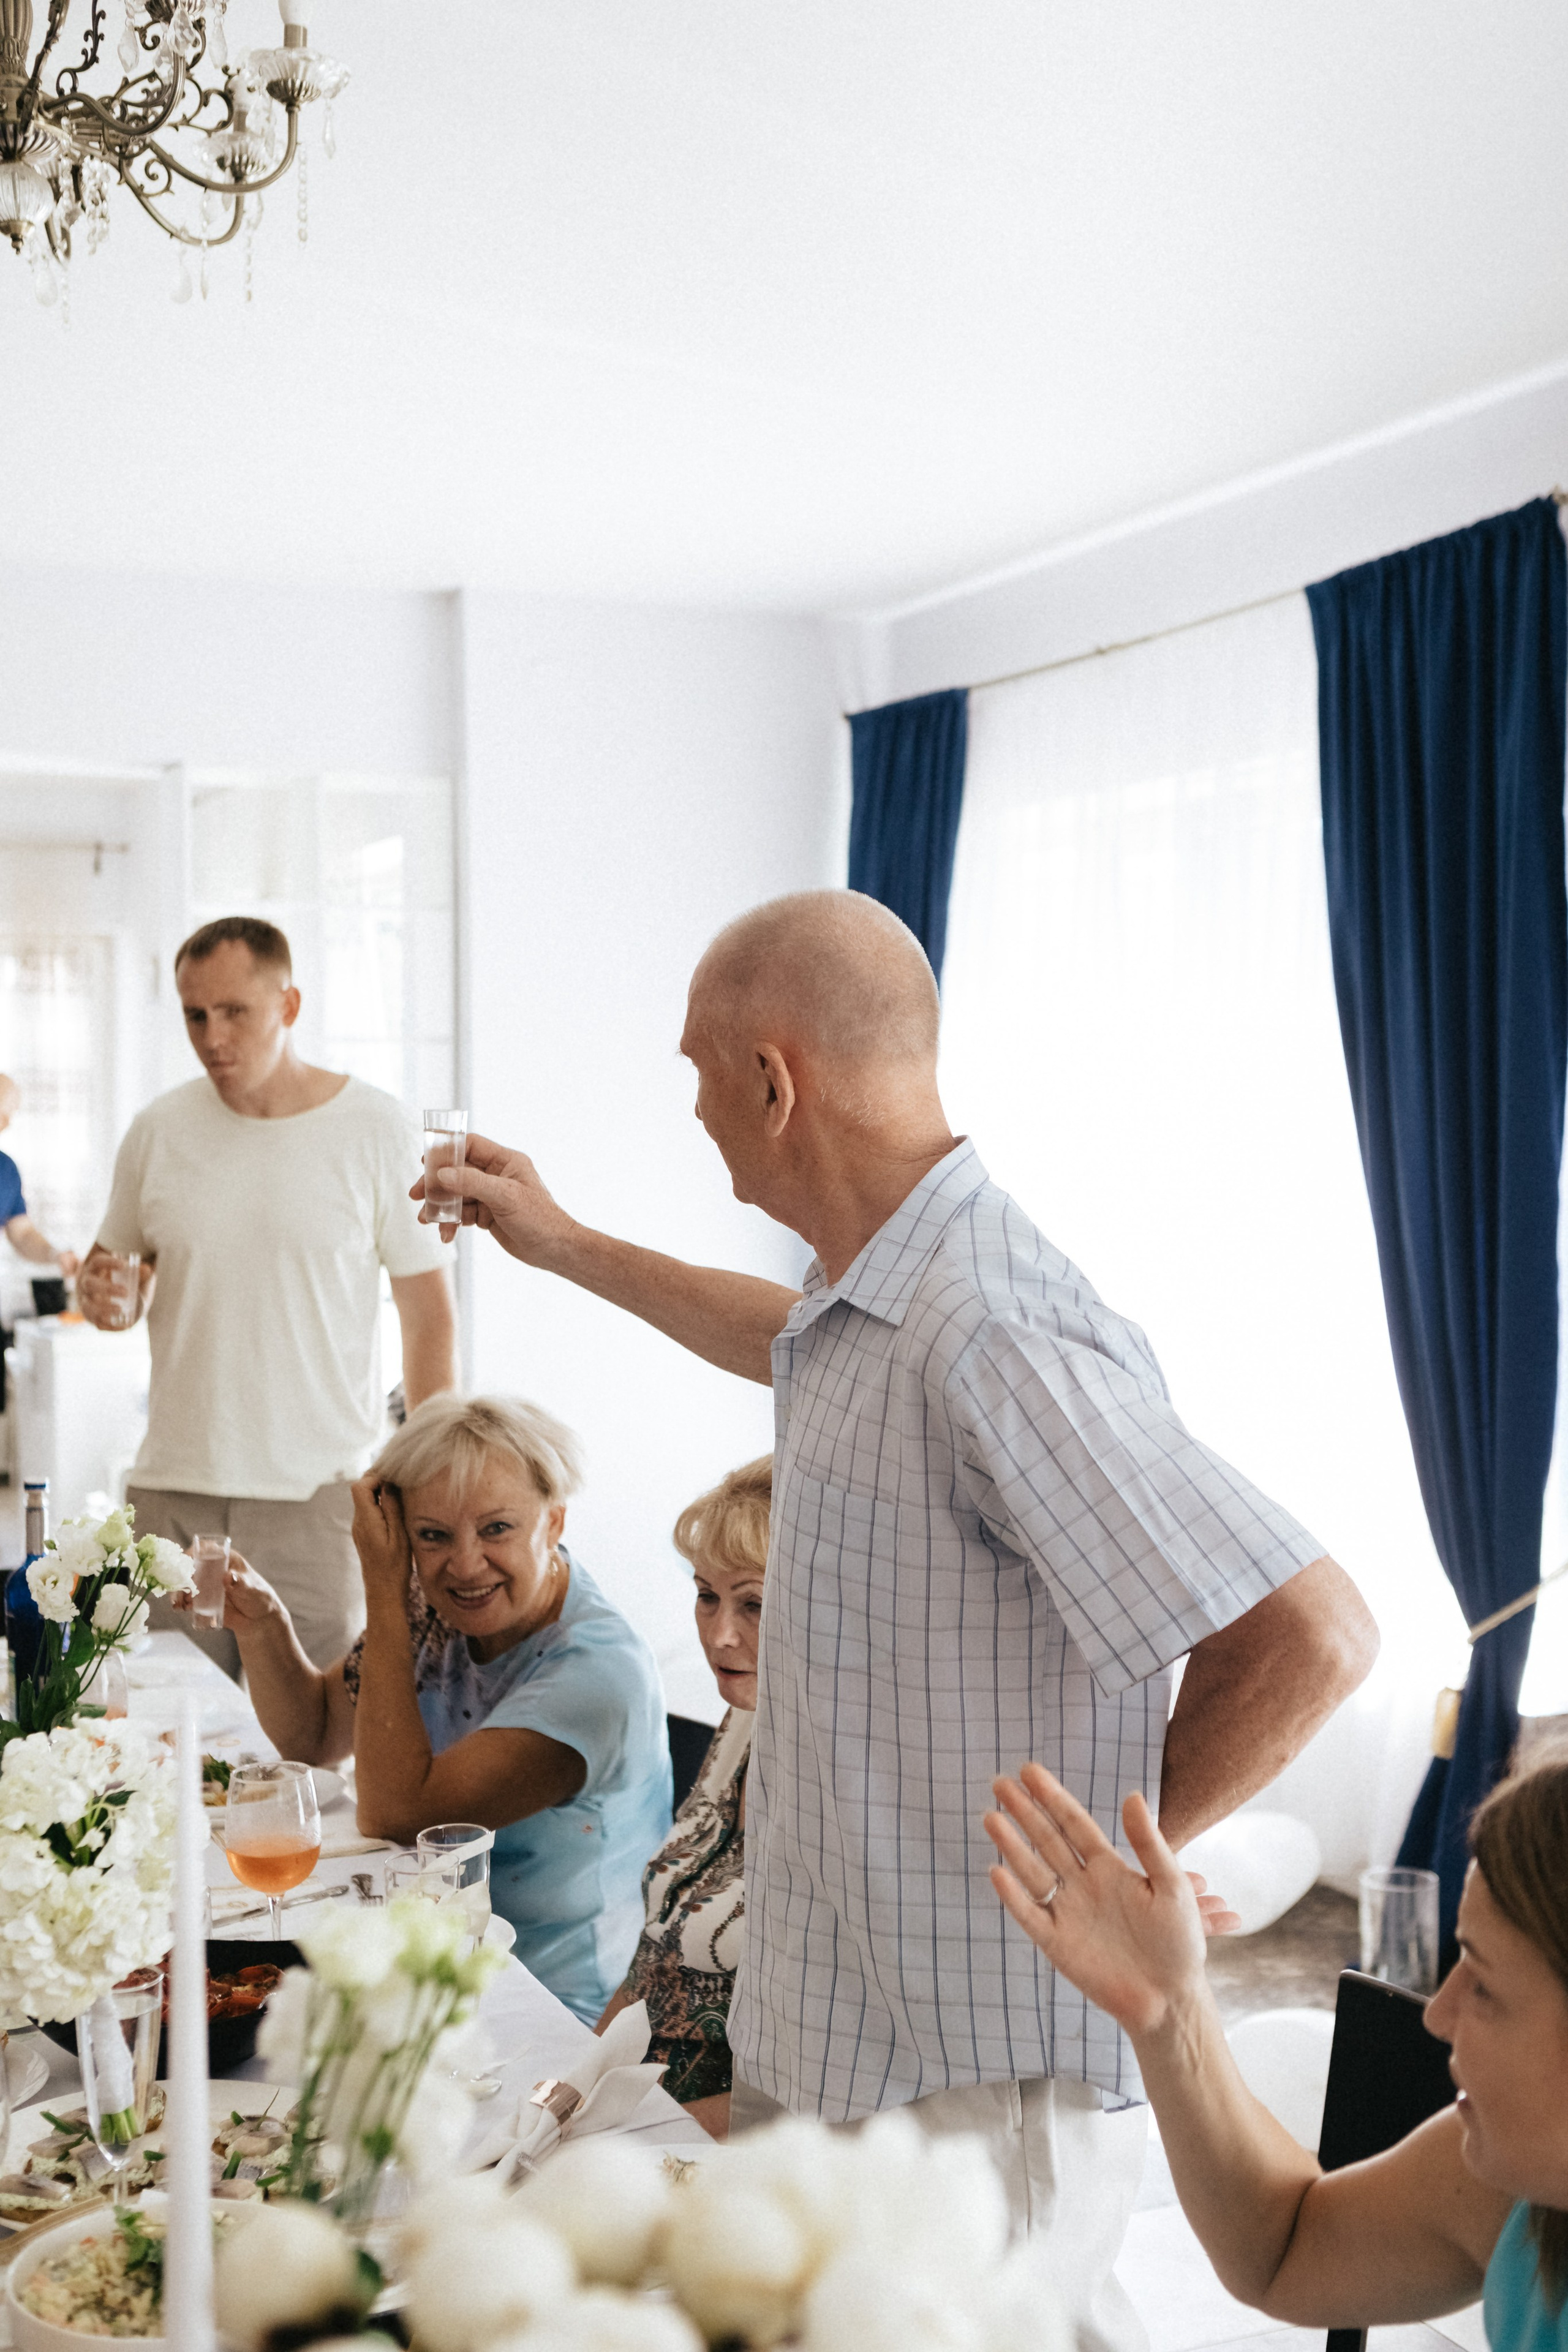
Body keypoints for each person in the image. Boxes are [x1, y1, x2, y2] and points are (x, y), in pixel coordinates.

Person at [419, 889, 1379, 2335]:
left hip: (971, 2084)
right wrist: (561, 1245)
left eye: (697, 1071)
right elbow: (791, 1340)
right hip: (844, 2040)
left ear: (771, 1078)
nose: (692, 1106)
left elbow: (1313, 1630)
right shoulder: (878, 1298)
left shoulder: (988, 1319)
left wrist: (1114, 1870)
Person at [985, 1746, 1568, 2351]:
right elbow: (1286, 2248)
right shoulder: (1502, 2184)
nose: (1439, 2015)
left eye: (1485, 1986)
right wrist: (1169, 2007)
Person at [187, 1392, 673, 2021]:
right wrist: (262, 1626)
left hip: (551, 2005)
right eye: (432, 1536)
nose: (466, 1565)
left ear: (553, 1522)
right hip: (430, 1957)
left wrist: (383, 1585)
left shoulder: (597, 1676)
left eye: (497, 1528)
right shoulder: (430, 1612)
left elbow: (395, 1813)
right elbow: (316, 1736)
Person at [76, 916, 456, 1673]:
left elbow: (428, 1317)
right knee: (173, 1744)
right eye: (195, 1014)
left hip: (312, 1504)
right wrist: (106, 1300)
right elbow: (110, 1286)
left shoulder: (377, 1128)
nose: (212, 1036)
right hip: (175, 1498)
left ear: (288, 1006)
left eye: (234, 1012)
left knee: (306, 1757)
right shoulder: (157, 1131)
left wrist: (436, 1485)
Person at [597, 1455, 770, 2138]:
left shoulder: (853, 1789)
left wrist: (628, 2141)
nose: (719, 1634)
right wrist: (568, 2096)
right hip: (629, 2117)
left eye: (753, 1603)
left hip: (722, 2159)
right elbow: (654, 1960)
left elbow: (819, 2102)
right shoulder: (744, 1720)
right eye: (707, 1595)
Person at [0, 1074, 78, 1275]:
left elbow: (23, 1235)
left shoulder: (7, 1169)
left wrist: (55, 1255)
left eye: (8, 1116)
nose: (6, 1123)